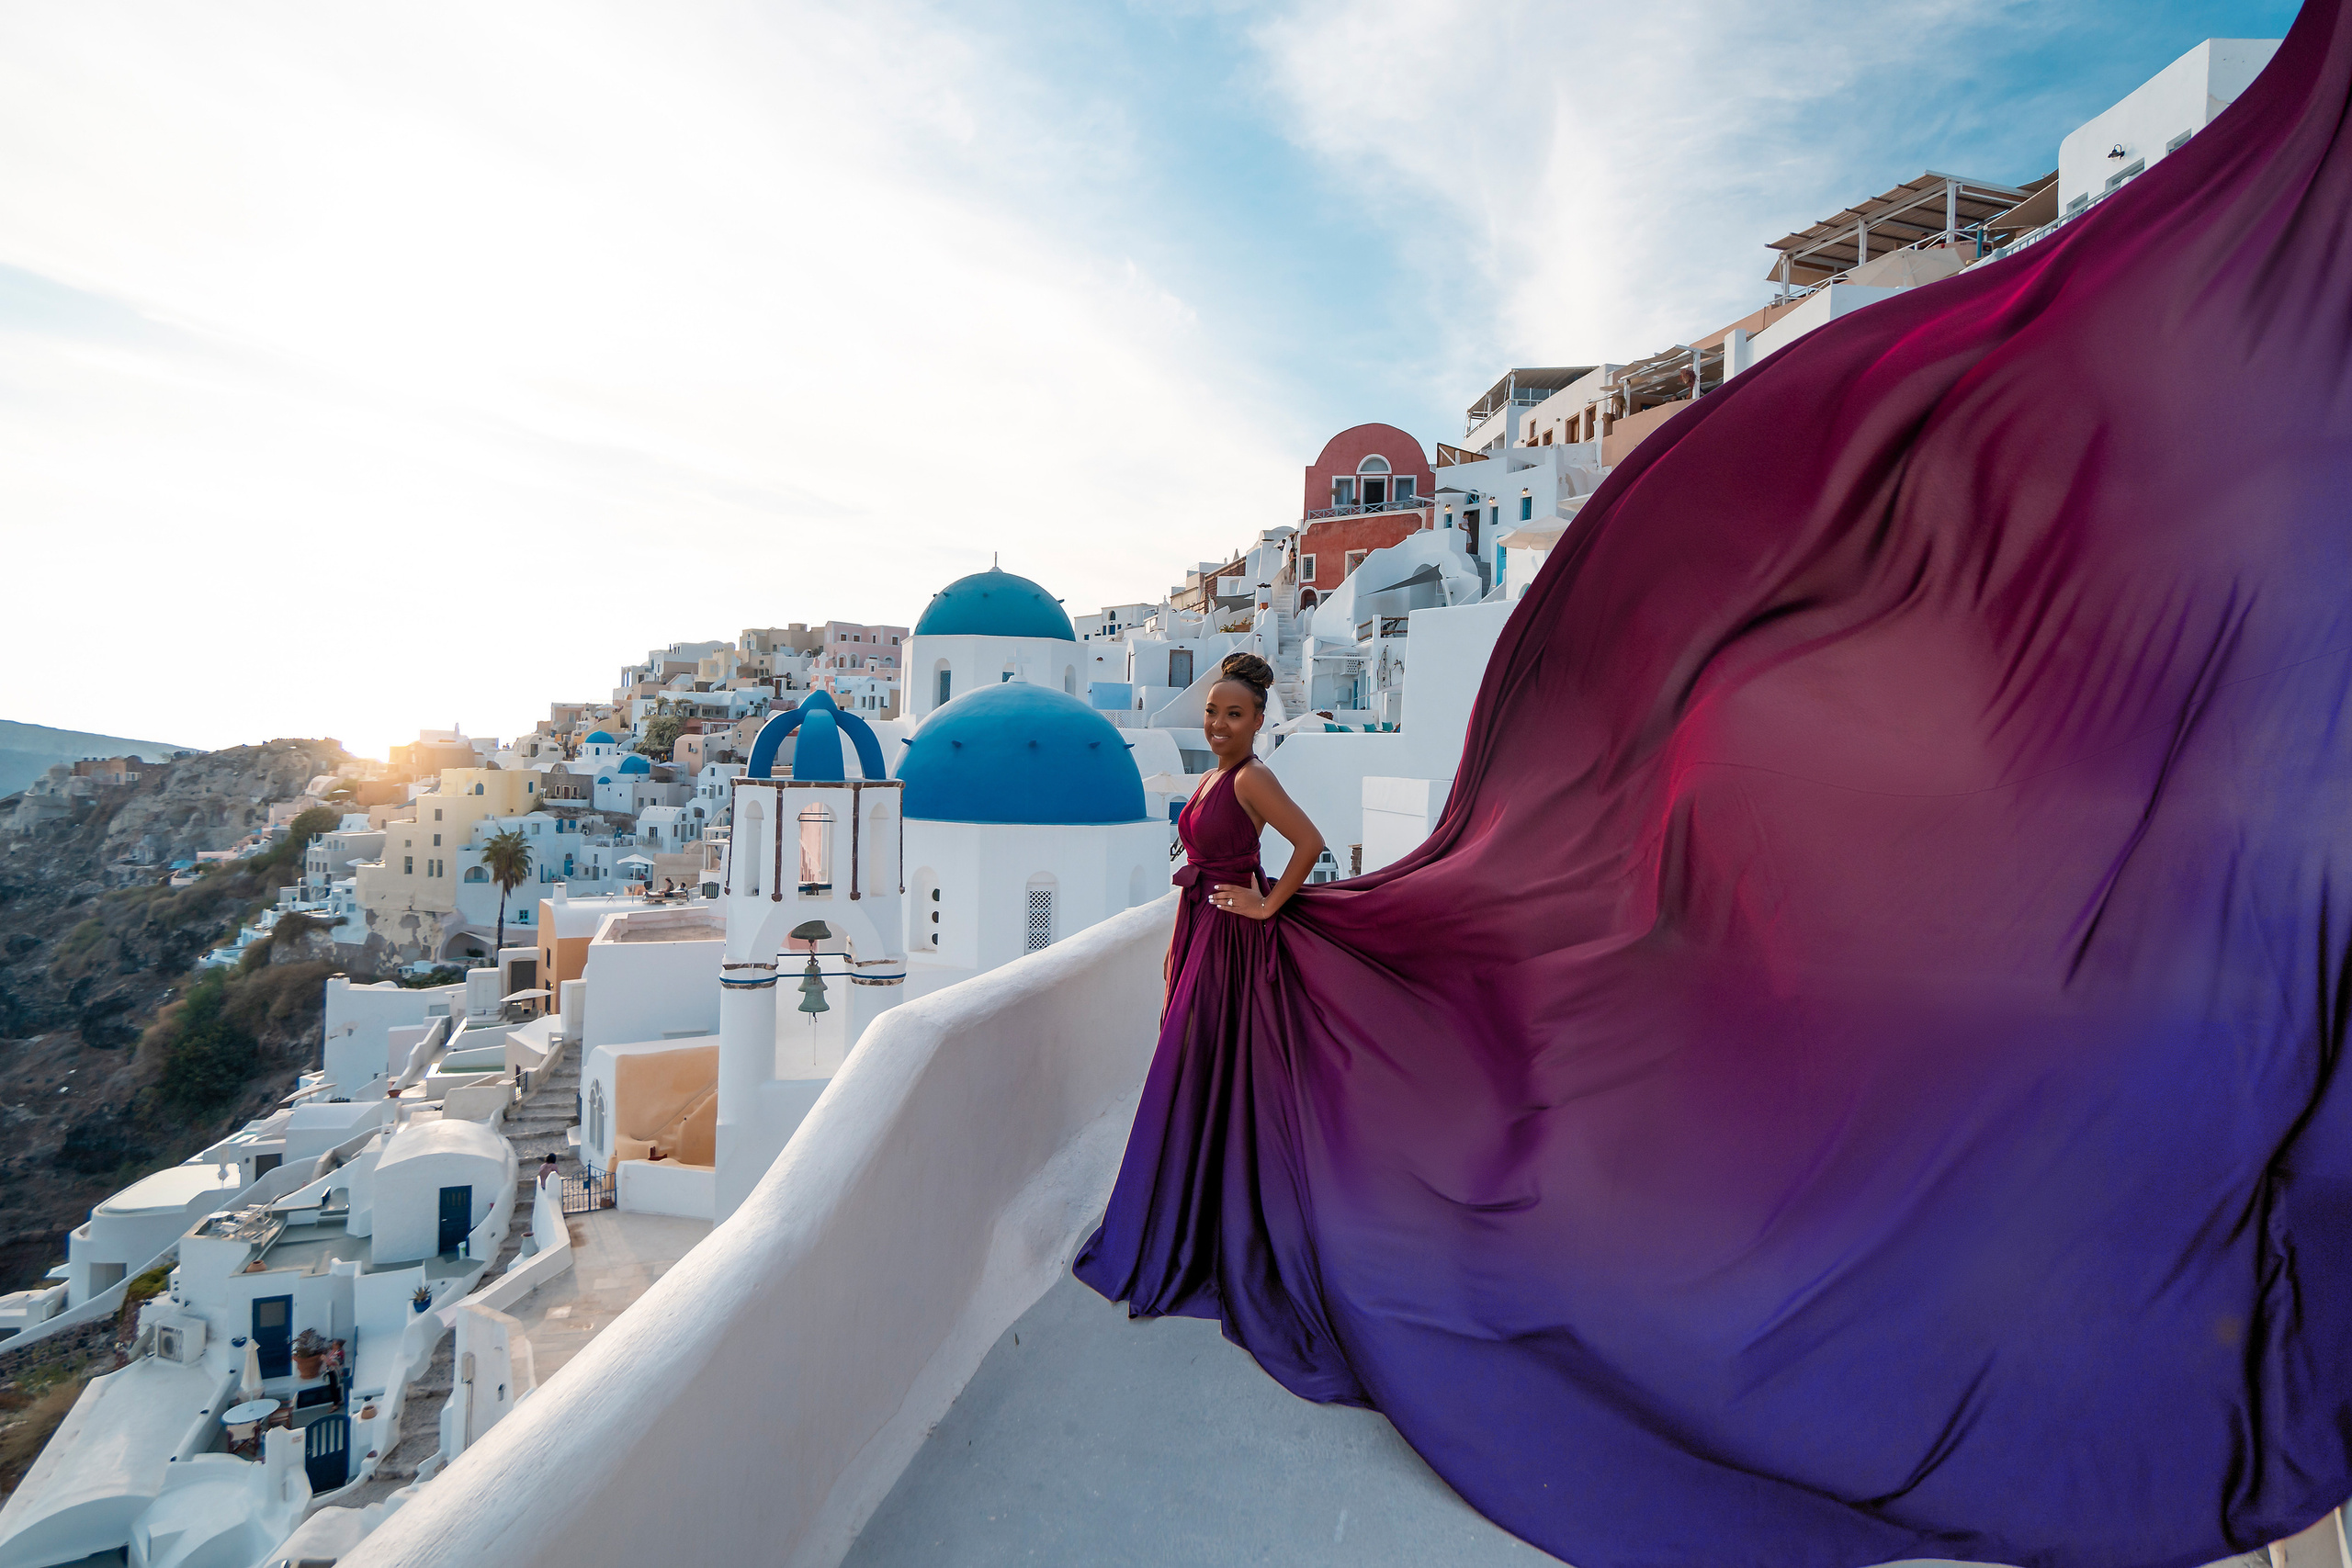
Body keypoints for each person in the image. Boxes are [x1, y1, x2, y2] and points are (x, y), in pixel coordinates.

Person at [1074, 651, 1334, 1366]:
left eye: (1235, 714)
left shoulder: (1252, 776)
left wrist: (1265, 902)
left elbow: (1310, 843)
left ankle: (1199, 1231)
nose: (1219, 724)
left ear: (1258, 721)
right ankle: (1184, 1218)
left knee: (1200, 1074)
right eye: (1213, 712)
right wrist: (1178, 946)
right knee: (1194, 1072)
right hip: (1200, 935)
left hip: (1231, 944)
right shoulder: (1216, 773)